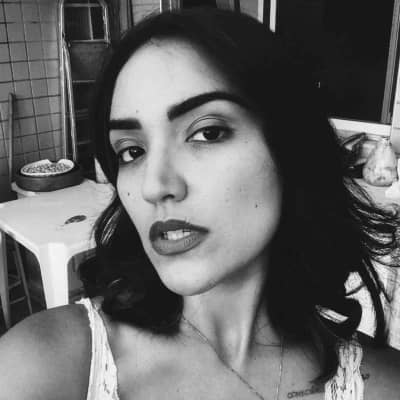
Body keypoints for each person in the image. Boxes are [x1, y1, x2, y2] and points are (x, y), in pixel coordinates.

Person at [0, 7, 399, 400]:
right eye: (132, 152)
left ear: (292, 150)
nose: (155, 186)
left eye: (207, 133)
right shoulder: (44, 365)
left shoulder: (379, 386)